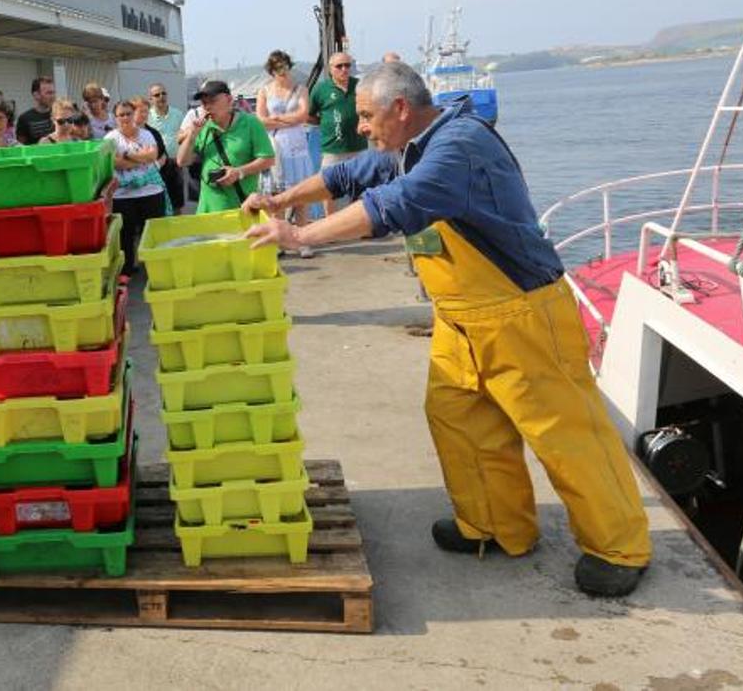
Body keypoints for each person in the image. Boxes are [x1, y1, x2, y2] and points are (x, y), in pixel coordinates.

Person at [244, 62, 652, 598]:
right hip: (462, 319)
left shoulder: (457, 147)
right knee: (459, 418)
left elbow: (396, 205)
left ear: (400, 109)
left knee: (564, 433)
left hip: (521, 314)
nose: (359, 126)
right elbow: (350, 176)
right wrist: (281, 200)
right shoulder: (410, 147)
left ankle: (619, 547)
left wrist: (299, 237)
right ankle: (496, 527)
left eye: (367, 116)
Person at [176, 80, 275, 214]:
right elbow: (182, 161)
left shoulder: (251, 123)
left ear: (229, 99)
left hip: (242, 207)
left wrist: (239, 172)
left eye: (213, 101)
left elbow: (268, 159)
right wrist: (192, 135)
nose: (208, 107)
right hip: (208, 209)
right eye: (204, 103)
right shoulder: (202, 127)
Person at [256, 50, 316, 257]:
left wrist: (278, 118)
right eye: (277, 68)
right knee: (277, 197)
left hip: (297, 147)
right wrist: (287, 119)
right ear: (271, 71)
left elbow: (303, 116)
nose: (282, 71)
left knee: (301, 196)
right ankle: (280, 241)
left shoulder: (301, 89)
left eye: (285, 66)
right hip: (275, 147)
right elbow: (261, 120)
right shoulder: (264, 90)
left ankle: (302, 240)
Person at [104, 100, 167, 276]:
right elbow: (113, 163)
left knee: (154, 231)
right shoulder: (110, 139)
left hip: (151, 192)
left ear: (134, 114)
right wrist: (141, 157)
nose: (125, 117)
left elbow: (153, 155)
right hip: (123, 195)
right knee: (126, 235)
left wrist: (126, 154)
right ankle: (128, 270)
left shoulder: (146, 134)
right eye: (121, 114)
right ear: (115, 118)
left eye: (128, 113)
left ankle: (155, 267)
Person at [308, 51, 367, 215]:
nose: (344, 69)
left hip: (358, 146)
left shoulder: (360, 86)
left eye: (347, 65)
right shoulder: (321, 89)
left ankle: (358, 222)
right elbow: (309, 115)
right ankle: (330, 222)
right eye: (339, 66)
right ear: (330, 69)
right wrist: (326, 123)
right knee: (328, 187)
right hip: (333, 148)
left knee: (361, 185)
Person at [147, 83, 185, 210]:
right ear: (151, 99)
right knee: (159, 201)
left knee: (177, 202)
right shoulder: (147, 117)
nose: (161, 97)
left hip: (175, 163)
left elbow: (184, 136)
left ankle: (179, 228)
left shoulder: (178, 114)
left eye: (163, 93)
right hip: (156, 165)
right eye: (157, 95)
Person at [15, 76, 57, 145]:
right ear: (36, 95)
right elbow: (21, 146)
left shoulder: (60, 115)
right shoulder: (25, 118)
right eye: (48, 93)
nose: (53, 96)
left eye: (53, 92)